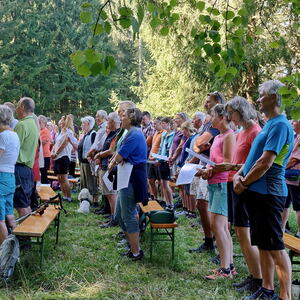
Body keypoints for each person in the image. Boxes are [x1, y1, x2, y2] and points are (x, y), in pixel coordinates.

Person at [233, 80, 293, 300]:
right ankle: (267, 289)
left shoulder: (280, 125)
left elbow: (266, 162)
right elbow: (253, 158)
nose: (258, 99)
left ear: (275, 97)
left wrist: (244, 182)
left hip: (269, 192)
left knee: (275, 246)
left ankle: (284, 296)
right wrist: (239, 175)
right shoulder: (269, 124)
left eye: (262, 95)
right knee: (263, 244)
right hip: (257, 192)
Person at [212, 96, 262, 292]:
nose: (229, 116)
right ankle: (252, 275)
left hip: (245, 187)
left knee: (246, 234)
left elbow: (256, 164)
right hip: (233, 183)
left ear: (240, 111)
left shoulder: (254, 132)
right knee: (240, 234)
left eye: (231, 112)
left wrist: (236, 171)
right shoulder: (241, 132)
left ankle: (258, 278)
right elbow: (237, 162)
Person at [109, 108, 148, 261]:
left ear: (131, 119)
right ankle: (132, 243)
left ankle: (136, 251)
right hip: (125, 176)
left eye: (123, 116)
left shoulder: (134, 134)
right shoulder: (129, 132)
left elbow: (119, 156)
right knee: (119, 215)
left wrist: (114, 162)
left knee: (128, 215)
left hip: (131, 178)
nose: (121, 118)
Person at [202, 104, 236, 280]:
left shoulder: (229, 135)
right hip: (214, 182)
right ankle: (229, 265)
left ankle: (225, 270)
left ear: (222, 117)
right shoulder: (218, 136)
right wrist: (206, 168)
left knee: (218, 226)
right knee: (220, 226)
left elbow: (228, 163)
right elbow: (215, 161)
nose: (210, 118)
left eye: (212, 115)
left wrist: (211, 170)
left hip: (222, 183)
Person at [189, 92, 225, 254]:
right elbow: (197, 145)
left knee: (215, 210)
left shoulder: (219, 122)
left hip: (215, 170)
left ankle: (220, 245)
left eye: (208, 101)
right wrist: (198, 147)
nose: (205, 104)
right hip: (203, 166)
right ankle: (208, 240)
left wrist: (198, 145)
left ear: (217, 102)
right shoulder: (208, 123)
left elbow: (201, 143)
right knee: (201, 204)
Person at [13, 97, 39, 218]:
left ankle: (25, 235)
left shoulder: (22, 125)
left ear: (22, 107)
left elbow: (13, 148)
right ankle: (28, 232)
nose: (16, 108)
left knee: (21, 204)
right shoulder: (33, 124)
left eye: (17, 105)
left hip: (19, 168)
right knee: (25, 202)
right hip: (28, 168)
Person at [95, 112, 121, 227]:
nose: (107, 123)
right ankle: (111, 215)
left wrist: (99, 154)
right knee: (108, 193)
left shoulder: (116, 134)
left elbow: (111, 150)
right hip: (105, 165)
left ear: (114, 122)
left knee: (111, 194)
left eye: (109, 121)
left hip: (110, 166)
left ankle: (114, 217)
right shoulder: (111, 134)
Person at [0, 105, 20, 245]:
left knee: (0, 220)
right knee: (9, 214)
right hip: (10, 176)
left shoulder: (2, 136)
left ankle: (4, 255)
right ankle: (15, 248)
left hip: (1, 177)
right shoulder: (14, 134)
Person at [51, 115, 76, 202]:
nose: (60, 122)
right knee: (59, 178)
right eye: (60, 121)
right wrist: (52, 152)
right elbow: (55, 144)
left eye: (62, 121)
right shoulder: (60, 132)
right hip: (57, 157)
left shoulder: (68, 132)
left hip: (63, 156)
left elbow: (64, 144)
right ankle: (64, 195)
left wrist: (56, 153)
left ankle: (68, 196)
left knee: (64, 177)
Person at [282, 119, 300, 236]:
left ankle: (299, 233)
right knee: (285, 203)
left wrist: (282, 167)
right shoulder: (296, 136)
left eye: (295, 121)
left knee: (298, 206)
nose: (292, 122)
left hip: (295, 178)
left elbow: (295, 159)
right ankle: (281, 229)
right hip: (288, 178)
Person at [77, 116, 98, 204]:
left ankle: (94, 201)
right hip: (83, 162)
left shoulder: (93, 134)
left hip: (89, 162)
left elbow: (95, 147)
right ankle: (85, 200)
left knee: (91, 182)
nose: (82, 125)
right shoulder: (85, 134)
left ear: (89, 124)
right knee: (84, 182)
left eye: (83, 124)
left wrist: (92, 158)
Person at [156, 117, 175, 208]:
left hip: (167, 160)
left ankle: (171, 203)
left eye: (164, 123)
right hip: (161, 160)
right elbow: (160, 148)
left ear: (168, 124)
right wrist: (157, 158)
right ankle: (167, 202)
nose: (162, 125)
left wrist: (167, 157)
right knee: (162, 183)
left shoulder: (173, 134)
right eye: (161, 123)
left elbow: (169, 148)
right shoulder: (163, 134)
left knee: (167, 184)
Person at [148, 117, 166, 200]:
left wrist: (157, 158)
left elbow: (162, 148)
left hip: (158, 160)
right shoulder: (155, 132)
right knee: (150, 179)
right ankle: (155, 198)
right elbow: (153, 146)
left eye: (155, 124)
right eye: (153, 123)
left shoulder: (164, 133)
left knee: (161, 181)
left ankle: (163, 199)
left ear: (160, 124)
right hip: (151, 159)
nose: (154, 125)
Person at [38, 115, 51, 184]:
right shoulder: (39, 130)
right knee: (41, 174)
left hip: (45, 155)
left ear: (45, 123)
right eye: (38, 122)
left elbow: (42, 142)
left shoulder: (45, 131)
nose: (39, 124)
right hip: (41, 155)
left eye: (40, 122)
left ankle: (46, 190)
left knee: (44, 174)